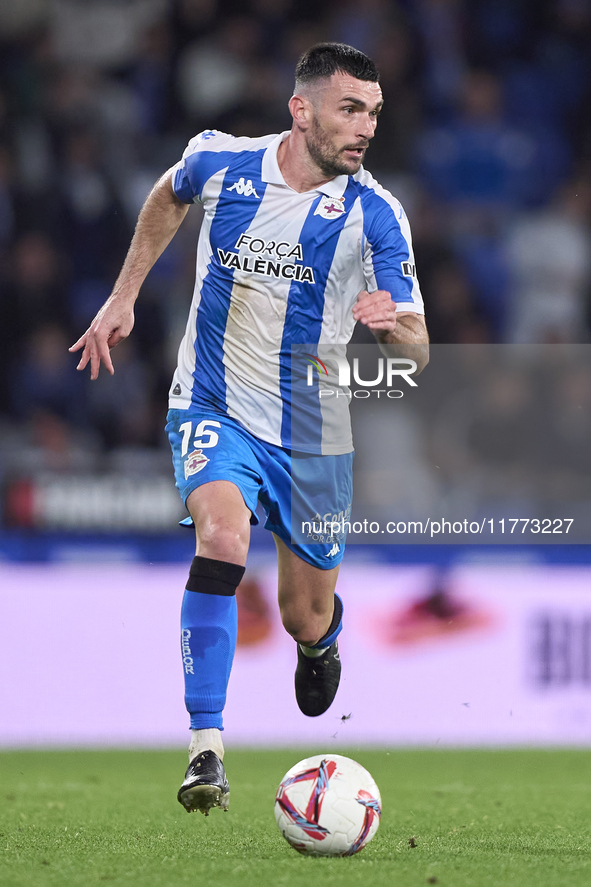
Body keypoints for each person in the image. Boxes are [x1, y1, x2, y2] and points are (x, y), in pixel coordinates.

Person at [70, 42, 429, 815]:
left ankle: (318, 639)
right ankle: (206, 746)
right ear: (300, 110)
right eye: (349, 109)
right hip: (213, 404)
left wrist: (390, 325)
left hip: (313, 433)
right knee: (222, 538)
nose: (364, 127)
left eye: (372, 112)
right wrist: (123, 295)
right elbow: (169, 193)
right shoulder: (222, 164)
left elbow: (418, 345)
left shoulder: (375, 215)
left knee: (303, 610)